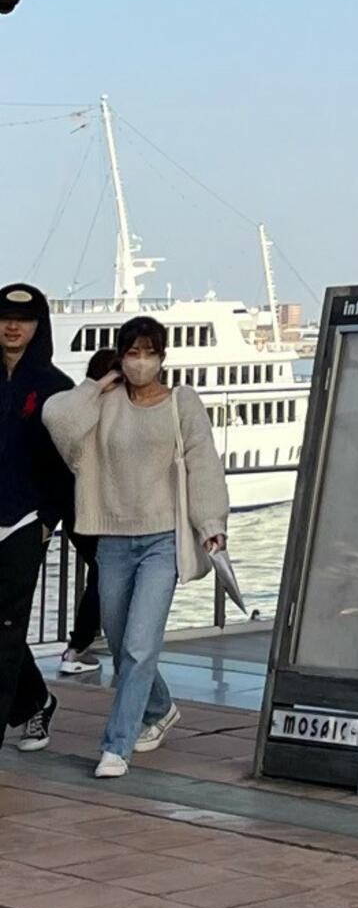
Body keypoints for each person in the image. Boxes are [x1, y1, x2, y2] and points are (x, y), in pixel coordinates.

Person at [46, 317, 229, 781]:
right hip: (112, 538)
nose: (140, 361)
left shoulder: (181, 403)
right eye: (132, 352)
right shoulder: (104, 403)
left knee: (141, 643)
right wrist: (98, 383)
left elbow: (203, 461)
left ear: (163, 356)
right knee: (123, 638)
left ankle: (116, 746)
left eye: (149, 352)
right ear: (121, 355)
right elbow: (57, 418)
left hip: (162, 538)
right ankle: (162, 707)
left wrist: (210, 524)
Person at [0, 285, 67, 752]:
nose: (12, 326)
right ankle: (36, 701)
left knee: (6, 630)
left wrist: (48, 520)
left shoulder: (54, 387)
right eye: (4, 317)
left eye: (22, 319)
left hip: (24, 523)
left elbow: (69, 462)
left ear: (38, 326)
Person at [52, 349, 119, 678]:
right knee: (106, 574)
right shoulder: (97, 411)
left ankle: (80, 645)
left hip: (72, 509)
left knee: (102, 573)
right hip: (94, 509)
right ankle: (79, 645)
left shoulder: (81, 410)